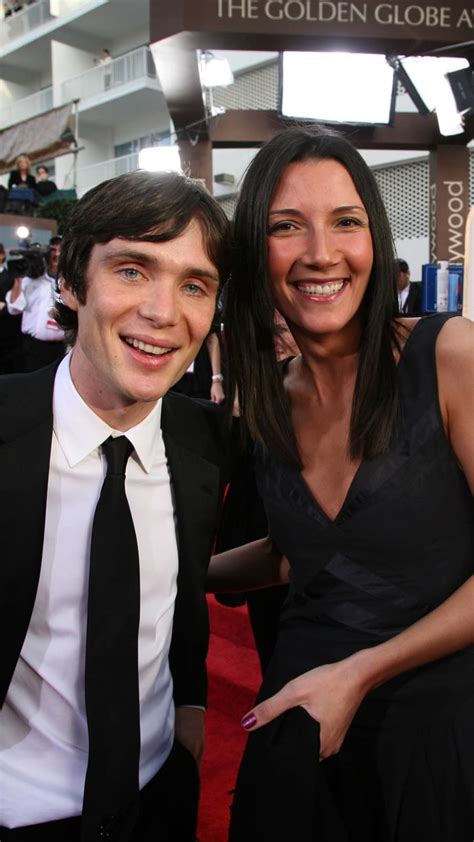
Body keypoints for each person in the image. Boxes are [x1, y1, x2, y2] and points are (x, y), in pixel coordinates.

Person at [208, 125, 474, 842]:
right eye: (286, 227)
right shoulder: (268, 400)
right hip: (296, 721)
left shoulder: (449, 357)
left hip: (437, 729)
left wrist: (361, 672)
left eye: (346, 222)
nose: (321, 253)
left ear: (375, 239)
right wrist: (181, 569)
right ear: (251, 254)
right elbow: (299, 552)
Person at [0, 170, 231, 841]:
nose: (163, 312)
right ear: (71, 281)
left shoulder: (203, 443)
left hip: (158, 800)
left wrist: (190, 712)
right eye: (132, 270)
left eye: (194, 284)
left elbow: (180, 597)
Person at [5, 235, 67, 371]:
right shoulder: (31, 279)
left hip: (59, 350)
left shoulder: (70, 284)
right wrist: (18, 280)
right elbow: (14, 309)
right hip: (31, 348)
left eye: (60, 250)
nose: (56, 254)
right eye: (52, 250)